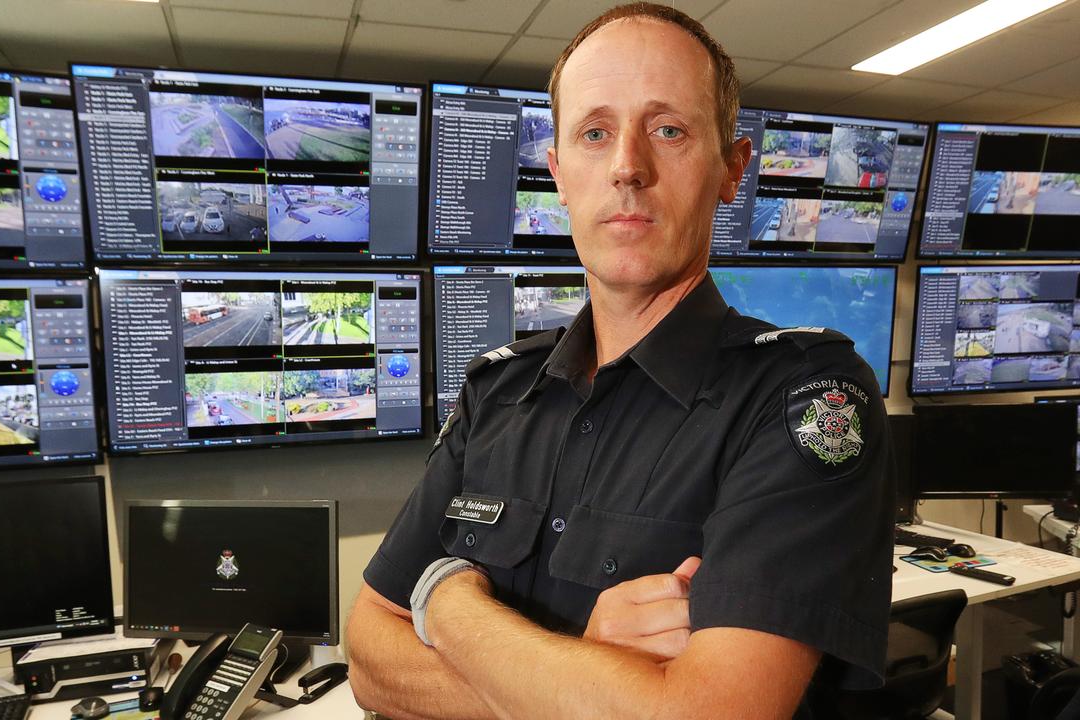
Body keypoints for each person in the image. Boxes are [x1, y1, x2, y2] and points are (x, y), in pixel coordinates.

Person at [345, 4, 894, 719]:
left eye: (668, 130)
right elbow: (367, 657)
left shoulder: (804, 398)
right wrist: (588, 662)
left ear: (731, 170)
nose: (628, 167)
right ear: (560, 175)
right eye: (595, 134)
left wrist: (447, 605)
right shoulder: (498, 391)